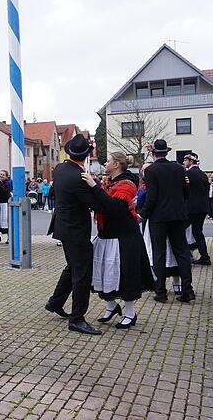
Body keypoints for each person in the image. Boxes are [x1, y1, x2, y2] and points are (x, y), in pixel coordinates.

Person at [46, 134, 128, 335]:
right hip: (75, 230)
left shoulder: (61, 169)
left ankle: (55, 302)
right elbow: (99, 205)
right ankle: (77, 319)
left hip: (63, 227)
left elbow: (52, 194)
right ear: (85, 156)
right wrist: (97, 186)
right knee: (82, 274)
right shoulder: (80, 177)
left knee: (72, 267)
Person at [88, 152, 154, 329]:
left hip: (124, 236)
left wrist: (94, 187)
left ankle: (130, 313)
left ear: (116, 164)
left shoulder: (127, 184)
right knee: (105, 273)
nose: (105, 163)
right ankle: (111, 307)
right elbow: (101, 203)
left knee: (125, 273)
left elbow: (113, 207)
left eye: (108, 160)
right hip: (107, 234)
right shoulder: (108, 182)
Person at [139, 139, 194, 303]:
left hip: (159, 217)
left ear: (153, 153)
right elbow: (186, 193)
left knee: (159, 253)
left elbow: (152, 197)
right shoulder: (179, 168)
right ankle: (187, 290)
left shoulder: (151, 170)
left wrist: (143, 214)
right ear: (166, 152)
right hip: (178, 215)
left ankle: (161, 291)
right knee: (182, 252)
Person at [183, 153, 211, 265]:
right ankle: (205, 257)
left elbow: (185, 190)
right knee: (198, 232)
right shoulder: (202, 174)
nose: (184, 162)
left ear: (190, 161)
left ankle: (187, 255)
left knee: (179, 230)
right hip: (203, 207)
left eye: (185, 160)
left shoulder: (188, 174)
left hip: (192, 208)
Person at [0, 170, 11, 243]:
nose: (1, 176)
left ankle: (9, 238)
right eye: (0, 174)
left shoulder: (8, 183)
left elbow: (7, 193)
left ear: (6, 176)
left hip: (5, 204)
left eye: (3, 175)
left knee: (6, 221)